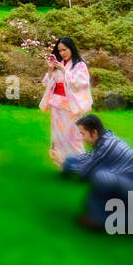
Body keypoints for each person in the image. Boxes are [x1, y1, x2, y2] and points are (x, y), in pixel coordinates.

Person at [51, 114, 133, 233]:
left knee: (101, 177)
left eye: (83, 134)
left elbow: (86, 171)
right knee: (105, 177)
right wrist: (67, 161)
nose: (82, 138)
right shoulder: (106, 140)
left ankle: (100, 219)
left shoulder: (106, 146)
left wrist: (62, 162)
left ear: (94, 133)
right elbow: (87, 158)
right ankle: (131, 219)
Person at [39, 36, 92, 167]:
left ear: (72, 48)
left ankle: (82, 165)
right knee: (59, 137)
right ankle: (63, 164)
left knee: (74, 137)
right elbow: (47, 83)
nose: (62, 53)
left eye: (65, 50)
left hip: (71, 107)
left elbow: (80, 83)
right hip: (57, 105)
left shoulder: (80, 65)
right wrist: (50, 70)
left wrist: (64, 71)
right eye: (60, 50)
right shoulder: (59, 64)